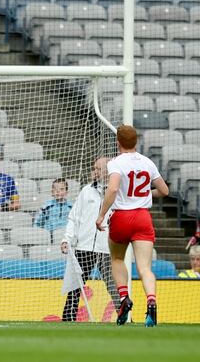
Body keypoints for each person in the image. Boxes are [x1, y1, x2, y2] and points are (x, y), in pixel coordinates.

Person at [96, 125, 169, 327]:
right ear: (135, 141)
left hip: (121, 216)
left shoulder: (116, 163)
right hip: (143, 217)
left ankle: (124, 299)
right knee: (145, 267)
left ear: (117, 142)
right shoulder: (147, 162)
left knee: (118, 258)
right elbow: (164, 190)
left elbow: (113, 189)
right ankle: (151, 302)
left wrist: (101, 215)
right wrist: (146, 194)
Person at [60, 157, 119, 322]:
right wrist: (67, 238)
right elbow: (74, 218)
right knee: (75, 286)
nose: (94, 172)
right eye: (94, 168)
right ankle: (68, 318)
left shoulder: (117, 192)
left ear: (107, 172)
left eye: (98, 169)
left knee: (114, 285)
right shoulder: (86, 191)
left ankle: (124, 316)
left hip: (107, 248)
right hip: (83, 247)